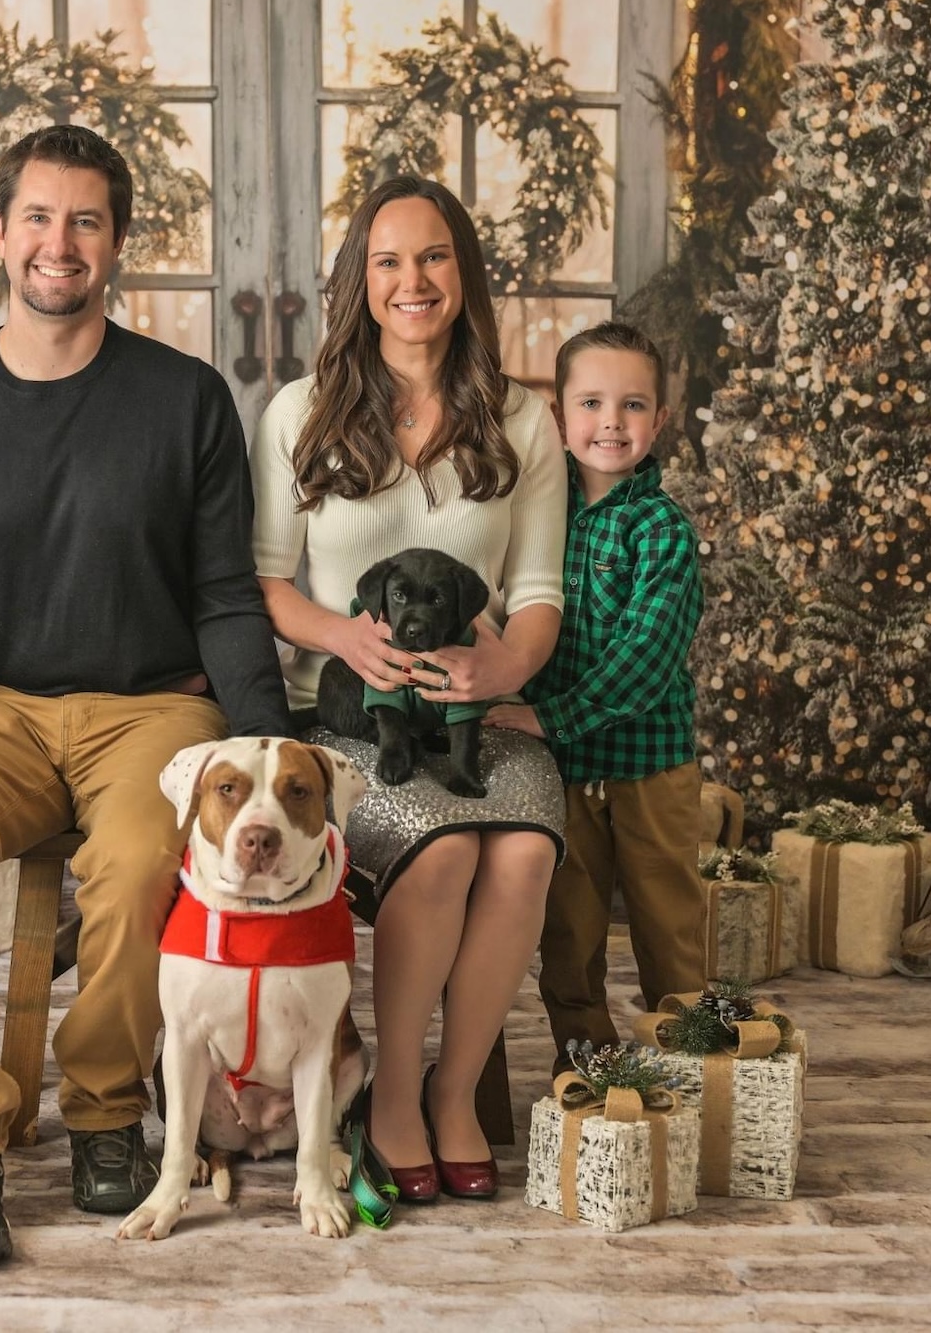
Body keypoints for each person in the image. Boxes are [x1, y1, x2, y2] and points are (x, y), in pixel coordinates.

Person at [0, 124, 290, 1268]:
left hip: (151, 706)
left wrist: (267, 753)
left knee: (152, 847)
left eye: (84, 220)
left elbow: (225, 594)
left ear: (117, 242)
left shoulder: (185, 399)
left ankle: (104, 1110)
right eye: (37, 217)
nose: (59, 242)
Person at [252, 176, 567, 1204]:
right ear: (359, 281)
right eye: (387, 261)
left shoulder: (521, 419)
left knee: (518, 846)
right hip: (349, 723)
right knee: (439, 852)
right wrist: (341, 634)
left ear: (462, 275)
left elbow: (534, 594)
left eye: (431, 258)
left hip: (478, 710)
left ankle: (454, 1092)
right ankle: (389, 1098)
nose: (411, 281)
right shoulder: (300, 411)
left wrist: (504, 666)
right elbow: (261, 582)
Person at [484, 320, 706, 1062]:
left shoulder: (662, 529)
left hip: (650, 764)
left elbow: (646, 657)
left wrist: (548, 717)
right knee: (568, 928)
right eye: (592, 403)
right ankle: (589, 1062)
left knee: (666, 918)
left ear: (661, 420)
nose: (611, 422)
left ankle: (688, 1062)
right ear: (559, 417)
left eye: (634, 405)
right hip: (566, 772)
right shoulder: (535, 517)